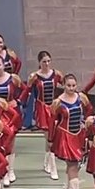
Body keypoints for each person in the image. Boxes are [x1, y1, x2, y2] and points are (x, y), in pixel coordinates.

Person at [49, 74, 92, 189]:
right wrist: (51, 138)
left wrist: (85, 122)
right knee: (72, 163)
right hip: (65, 136)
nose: (71, 88)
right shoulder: (58, 102)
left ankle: (69, 186)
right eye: (68, 85)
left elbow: (89, 110)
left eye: (74, 85)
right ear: (63, 85)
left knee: (76, 163)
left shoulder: (81, 98)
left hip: (79, 134)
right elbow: (52, 120)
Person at [28, 51, 64, 179]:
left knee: (52, 137)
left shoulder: (56, 74)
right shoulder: (34, 76)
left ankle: (47, 161)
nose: (47, 64)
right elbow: (26, 91)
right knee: (50, 138)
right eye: (44, 61)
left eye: (49, 61)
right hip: (42, 108)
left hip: (53, 107)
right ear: (39, 62)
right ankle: (53, 168)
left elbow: (66, 87)